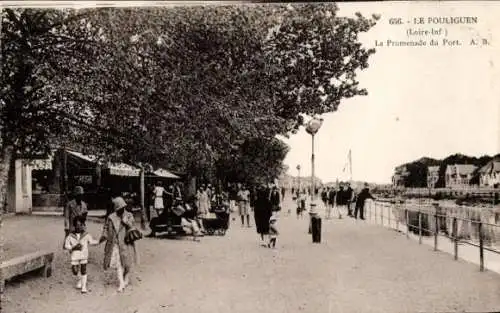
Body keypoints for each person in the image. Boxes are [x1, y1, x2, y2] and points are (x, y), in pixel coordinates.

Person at [100, 197, 139, 292]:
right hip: (115, 243)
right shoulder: (111, 217)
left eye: (123, 207)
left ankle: (126, 277)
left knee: (127, 263)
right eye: (120, 208)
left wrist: (127, 223)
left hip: (126, 243)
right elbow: (105, 227)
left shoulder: (128, 215)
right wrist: (104, 235)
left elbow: (133, 226)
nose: (122, 209)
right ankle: (121, 283)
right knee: (119, 264)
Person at [64, 216, 101, 293]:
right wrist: (73, 247)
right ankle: (79, 280)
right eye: (77, 225)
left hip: (84, 255)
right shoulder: (70, 236)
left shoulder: (86, 235)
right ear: (74, 226)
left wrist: (100, 241)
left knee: (83, 269)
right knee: (75, 271)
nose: (79, 227)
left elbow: (92, 242)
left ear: (83, 225)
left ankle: (84, 287)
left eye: (81, 225)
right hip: (75, 256)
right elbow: (66, 245)